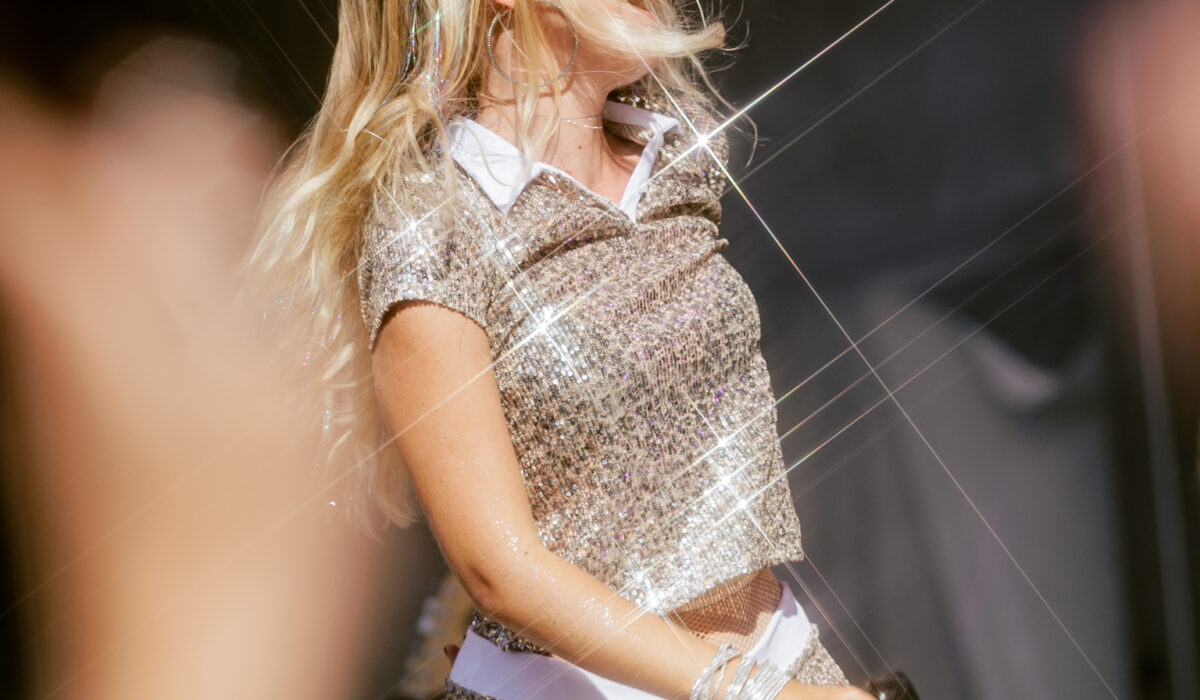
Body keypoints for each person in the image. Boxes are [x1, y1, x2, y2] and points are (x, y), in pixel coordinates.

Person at [246, 1, 874, 698]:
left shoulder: (680, 158)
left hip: (785, 655)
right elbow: (498, 571)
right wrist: (753, 695)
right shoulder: (432, 224)